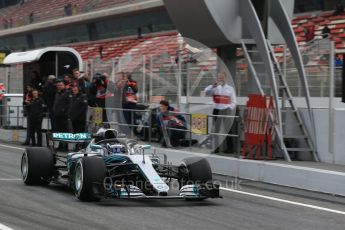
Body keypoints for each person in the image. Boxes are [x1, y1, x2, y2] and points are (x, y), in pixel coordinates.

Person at [204, 72, 237, 153]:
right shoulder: (214, 88)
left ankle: (230, 148)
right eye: (219, 78)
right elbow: (206, 92)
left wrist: (229, 108)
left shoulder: (230, 88)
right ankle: (216, 148)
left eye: (222, 78)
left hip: (226, 110)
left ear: (225, 78)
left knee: (228, 129)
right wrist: (212, 86)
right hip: (216, 110)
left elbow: (234, 101)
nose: (220, 79)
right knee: (216, 130)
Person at [53, 80, 70, 150]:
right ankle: (60, 145)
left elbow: (69, 104)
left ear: (64, 85)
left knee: (64, 131)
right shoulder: (57, 93)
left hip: (64, 115)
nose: (59, 86)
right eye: (58, 85)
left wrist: (64, 111)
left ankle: (65, 146)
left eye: (61, 85)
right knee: (59, 131)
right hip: (57, 115)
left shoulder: (67, 93)